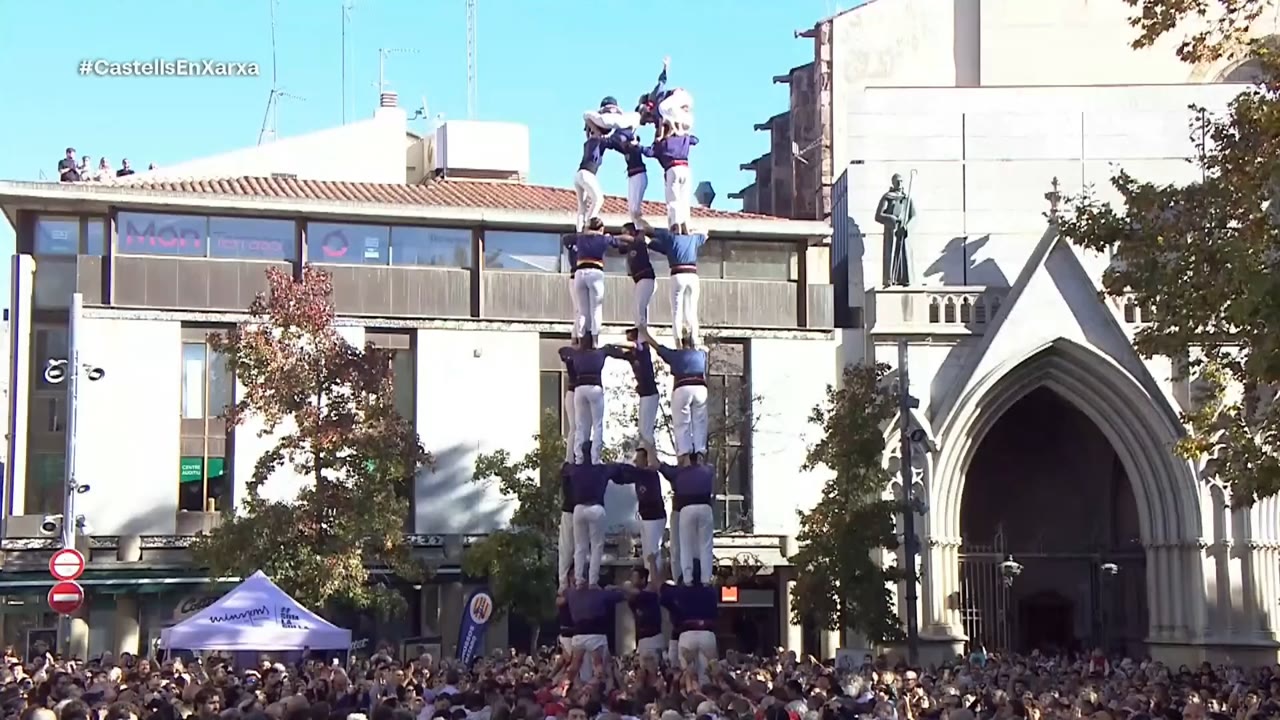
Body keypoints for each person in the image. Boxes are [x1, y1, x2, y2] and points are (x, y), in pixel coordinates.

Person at [640, 327, 708, 458]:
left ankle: (684, 454)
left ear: (681, 343)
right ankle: (700, 452)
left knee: (682, 423)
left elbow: (658, 348)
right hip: (700, 388)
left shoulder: (676, 355)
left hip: (682, 387)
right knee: (700, 422)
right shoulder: (701, 355)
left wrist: (646, 335)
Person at [645, 226, 708, 345]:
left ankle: (677, 339)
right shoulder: (694, 238)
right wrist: (692, 230)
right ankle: (695, 337)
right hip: (692, 275)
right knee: (692, 310)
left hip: (677, 274)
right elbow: (706, 233)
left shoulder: (670, 238)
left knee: (676, 310)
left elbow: (652, 238)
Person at [659, 453, 715, 585]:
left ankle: (688, 579)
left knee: (685, 546)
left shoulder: (680, 472)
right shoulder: (708, 470)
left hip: (687, 509)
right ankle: (706, 579)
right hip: (705, 508)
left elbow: (660, 466)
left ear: (687, 459)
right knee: (706, 546)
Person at [561, 221, 621, 342]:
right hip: (595, 272)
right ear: (601, 228)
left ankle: (581, 338)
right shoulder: (603, 238)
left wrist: (587, 232)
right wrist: (606, 236)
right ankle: (595, 341)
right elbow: (618, 244)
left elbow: (566, 238)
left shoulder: (580, 238)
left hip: (579, 273)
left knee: (582, 311)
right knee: (596, 309)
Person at [569, 458, 625, 587]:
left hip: (579, 508)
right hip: (596, 507)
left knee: (580, 547)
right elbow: (617, 470)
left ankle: (579, 580)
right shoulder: (602, 468)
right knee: (597, 546)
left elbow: (564, 470)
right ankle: (593, 581)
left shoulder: (575, 468)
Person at [603, 328, 659, 450]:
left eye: (629, 337)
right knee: (643, 428)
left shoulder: (643, 349)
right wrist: (606, 350)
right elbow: (618, 353)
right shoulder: (632, 355)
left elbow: (632, 345)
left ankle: (649, 455)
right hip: (645, 394)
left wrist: (613, 343)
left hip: (650, 394)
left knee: (646, 429)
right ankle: (645, 453)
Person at [613, 447, 665, 573]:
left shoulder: (649, 474)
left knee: (653, 551)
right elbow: (623, 479)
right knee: (647, 551)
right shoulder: (639, 476)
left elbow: (629, 470)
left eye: (638, 459)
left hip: (654, 517)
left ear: (646, 460)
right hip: (646, 517)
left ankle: (655, 580)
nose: (635, 461)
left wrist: (614, 467)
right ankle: (650, 578)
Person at [560, 335, 608, 464]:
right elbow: (614, 350)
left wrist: (575, 347)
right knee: (597, 424)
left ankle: (579, 457)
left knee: (579, 425)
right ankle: (595, 458)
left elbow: (562, 351)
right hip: (594, 387)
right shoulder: (599, 353)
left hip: (579, 389)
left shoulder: (575, 355)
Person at [565, 584, 626, 684]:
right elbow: (621, 596)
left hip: (579, 635)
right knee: (598, 665)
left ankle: (567, 686)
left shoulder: (572, 593)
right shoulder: (600, 593)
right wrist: (614, 588)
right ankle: (593, 688)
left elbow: (562, 595)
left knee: (575, 665)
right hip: (595, 635)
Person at [641, 133, 699, 230]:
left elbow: (649, 152)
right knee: (684, 199)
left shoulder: (663, 144)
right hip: (685, 169)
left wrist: (641, 146)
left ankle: (675, 224)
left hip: (672, 169)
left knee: (673, 200)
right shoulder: (684, 138)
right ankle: (686, 223)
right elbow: (695, 140)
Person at [614, 228, 659, 330]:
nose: (623, 235)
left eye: (625, 232)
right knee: (637, 309)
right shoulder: (630, 247)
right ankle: (641, 332)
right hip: (640, 280)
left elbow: (635, 237)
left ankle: (642, 335)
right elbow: (621, 248)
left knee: (639, 309)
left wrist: (613, 237)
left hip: (646, 279)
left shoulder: (639, 242)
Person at [622, 562, 666, 662]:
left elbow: (630, 589)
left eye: (635, 578)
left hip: (653, 638)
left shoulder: (650, 595)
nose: (632, 581)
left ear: (643, 580)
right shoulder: (634, 599)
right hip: (641, 640)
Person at [639, 57, 694, 135]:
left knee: (662, 108)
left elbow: (662, 82)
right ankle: (683, 130)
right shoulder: (657, 118)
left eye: (646, 120)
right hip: (681, 106)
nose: (649, 122)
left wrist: (665, 68)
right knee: (670, 118)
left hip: (680, 96)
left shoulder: (653, 97)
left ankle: (679, 130)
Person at [574, 122, 610, 232]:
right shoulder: (596, 140)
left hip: (579, 174)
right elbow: (598, 133)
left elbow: (591, 134)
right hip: (587, 174)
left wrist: (588, 128)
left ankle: (579, 230)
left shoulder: (588, 142)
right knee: (599, 199)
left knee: (582, 206)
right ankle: (588, 225)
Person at [558, 343, 579, 462]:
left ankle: (577, 455)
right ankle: (570, 457)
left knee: (580, 427)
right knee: (574, 428)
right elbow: (562, 351)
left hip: (578, 393)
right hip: (573, 393)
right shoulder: (573, 358)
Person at [558, 461, 575, 592]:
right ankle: (566, 583)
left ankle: (566, 583)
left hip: (572, 508)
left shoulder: (570, 469)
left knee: (568, 549)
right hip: (573, 508)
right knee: (571, 548)